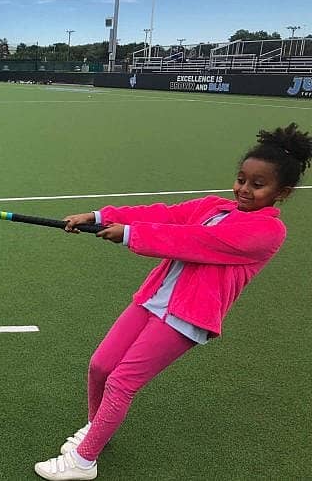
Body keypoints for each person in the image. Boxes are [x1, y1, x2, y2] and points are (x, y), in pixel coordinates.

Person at [34, 123, 312, 480]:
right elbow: (166, 214)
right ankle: (96, 427)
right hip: (154, 298)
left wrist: (129, 235)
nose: (244, 189)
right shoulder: (215, 206)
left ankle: (84, 461)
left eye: (258, 185)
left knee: (122, 381)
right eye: (242, 179)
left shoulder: (267, 232)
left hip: (187, 316)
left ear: (283, 192)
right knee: (101, 365)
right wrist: (102, 216)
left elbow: (192, 241)